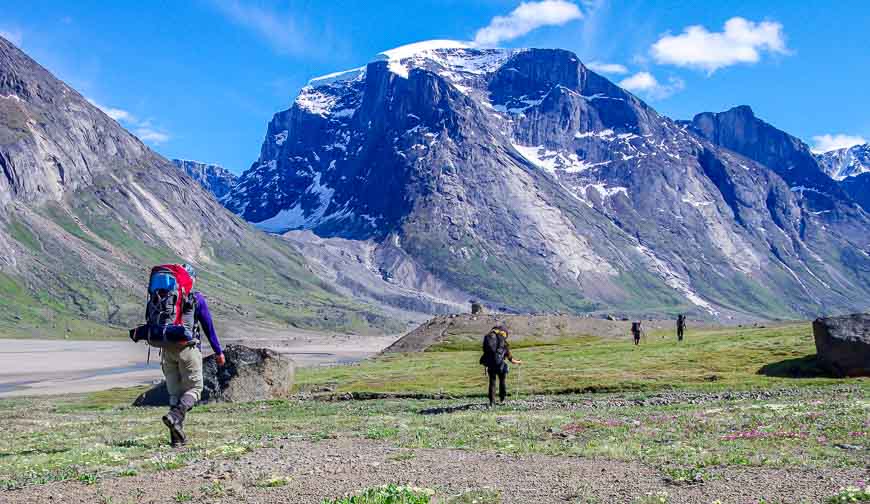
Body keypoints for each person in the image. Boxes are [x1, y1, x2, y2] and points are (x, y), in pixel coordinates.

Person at [160, 264, 225, 447]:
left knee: (175, 394)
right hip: (187, 349)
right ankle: (175, 416)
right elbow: (209, 328)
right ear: (191, 279)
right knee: (195, 390)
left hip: (166, 351)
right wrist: (218, 352)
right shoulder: (195, 298)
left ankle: (177, 440)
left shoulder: (165, 297)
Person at [479, 325, 522, 407]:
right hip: (500, 365)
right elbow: (511, 359)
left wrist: (486, 366)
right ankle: (502, 399)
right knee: (502, 381)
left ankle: (492, 402)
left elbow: (486, 354)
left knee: (492, 383)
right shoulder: (504, 343)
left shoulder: (489, 340)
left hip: (490, 365)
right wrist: (518, 362)